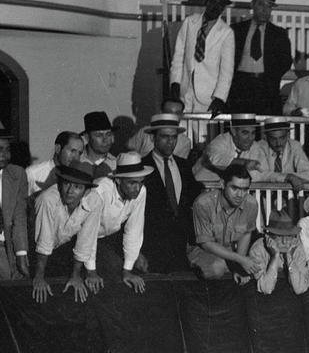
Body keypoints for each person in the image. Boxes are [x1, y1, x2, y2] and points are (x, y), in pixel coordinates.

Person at [32, 161, 102, 303]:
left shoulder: (95, 201)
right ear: (60, 183)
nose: (70, 190)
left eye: (77, 187)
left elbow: (85, 241)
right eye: (66, 184)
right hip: (33, 249)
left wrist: (75, 276)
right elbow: (43, 242)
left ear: (86, 191)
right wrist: (39, 277)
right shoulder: (47, 199)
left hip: (60, 247)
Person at [141, 113, 203, 273]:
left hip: (181, 244)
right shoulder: (141, 167)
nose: (170, 142)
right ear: (153, 138)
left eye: (174, 137)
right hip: (152, 246)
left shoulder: (184, 165)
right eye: (164, 137)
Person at [169, 0, 234, 116]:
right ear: (206, 2)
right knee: (182, 131)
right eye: (213, 2)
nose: (216, 7)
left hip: (208, 97)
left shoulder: (226, 33)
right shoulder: (189, 22)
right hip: (185, 90)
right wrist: (175, 82)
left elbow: (226, 71)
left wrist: (220, 98)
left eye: (220, 4)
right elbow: (178, 56)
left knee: (203, 133)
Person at [188, 163, 261, 282]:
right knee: (217, 268)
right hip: (202, 250)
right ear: (222, 184)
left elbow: (246, 233)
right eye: (234, 188)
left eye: (244, 190)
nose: (240, 195)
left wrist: (238, 265)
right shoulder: (203, 203)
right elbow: (206, 244)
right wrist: (240, 260)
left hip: (230, 252)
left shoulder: (251, 204)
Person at [91, 152, 152, 293]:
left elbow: (134, 230)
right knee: (114, 268)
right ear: (118, 180)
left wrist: (128, 269)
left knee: (140, 265)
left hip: (109, 238)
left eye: (141, 182)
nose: (137, 188)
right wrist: (91, 271)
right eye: (132, 183)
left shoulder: (140, 191)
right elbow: (86, 234)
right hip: (83, 238)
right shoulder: (99, 191)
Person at [228, 0, 293, 115]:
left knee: (265, 128)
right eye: (260, 4)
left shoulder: (279, 34)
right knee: (240, 126)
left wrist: (269, 79)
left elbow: (285, 61)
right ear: (252, 5)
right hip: (240, 87)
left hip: (266, 88)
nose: (265, 10)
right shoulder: (237, 30)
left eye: (269, 6)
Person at [247, 209, 309, 295]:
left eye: (288, 236)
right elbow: (266, 288)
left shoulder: (296, 246)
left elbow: (300, 288)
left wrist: (290, 257)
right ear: (268, 236)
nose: (284, 241)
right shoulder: (258, 249)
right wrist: (275, 257)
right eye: (279, 236)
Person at [245, 116, 309, 192]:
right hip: (265, 195)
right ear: (266, 136)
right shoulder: (258, 147)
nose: (278, 143)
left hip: (290, 197)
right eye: (273, 138)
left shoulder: (294, 145)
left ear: (287, 135)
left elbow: (308, 175)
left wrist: (287, 177)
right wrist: (287, 177)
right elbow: (258, 176)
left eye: (282, 138)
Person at [192, 113, 261, 181]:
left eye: (253, 133)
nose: (250, 138)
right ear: (233, 131)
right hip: (202, 184)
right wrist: (244, 163)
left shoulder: (255, 146)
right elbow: (217, 160)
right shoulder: (219, 141)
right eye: (245, 133)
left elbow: (254, 175)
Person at [0, 131, 29, 280]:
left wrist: (21, 254)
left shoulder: (17, 174)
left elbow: (19, 216)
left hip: (7, 247)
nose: (4, 154)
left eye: (7, 149)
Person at [125, 99, 191, 159]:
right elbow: (128, 150)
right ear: (161, 112)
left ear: (182, 115)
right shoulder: (145, 132)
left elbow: (179, 165)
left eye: (177, 113)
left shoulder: (185, 142)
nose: (172, 116)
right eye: (168, 112)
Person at [26, 131, 85, 196]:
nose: (76, 157)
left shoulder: (80, 178)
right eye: (72, 151)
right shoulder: (33, 173)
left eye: (79, 153)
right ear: (58, 149)